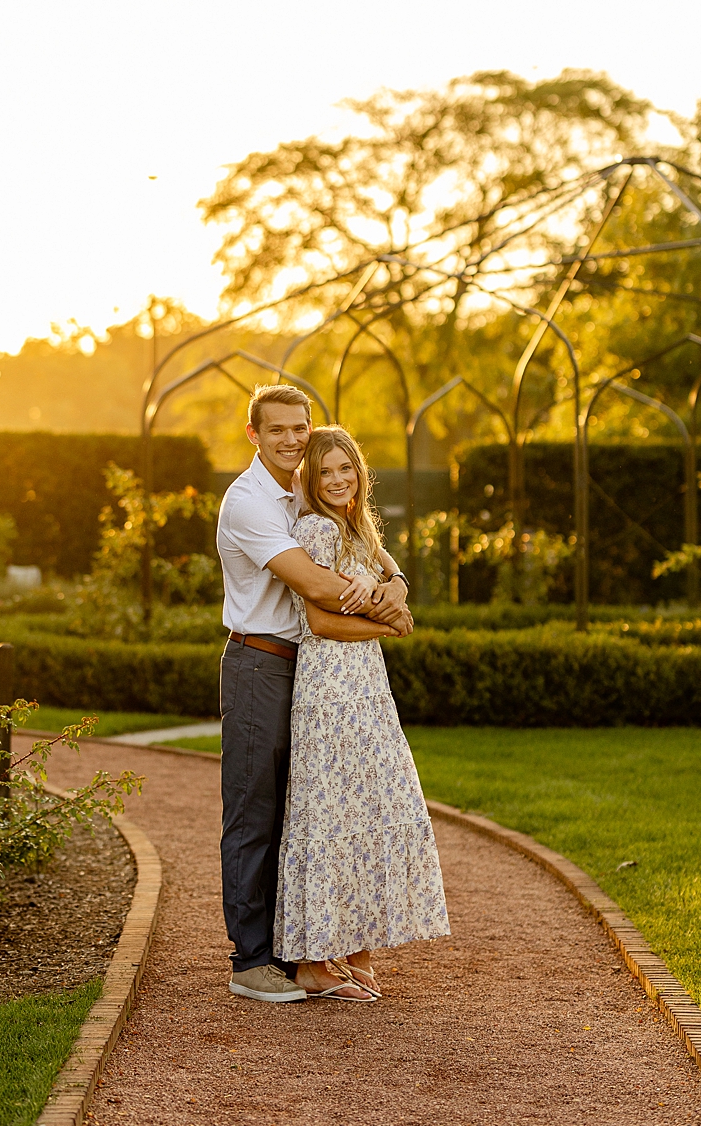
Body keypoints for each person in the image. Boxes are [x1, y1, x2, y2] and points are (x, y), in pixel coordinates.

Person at [216, 384, 411, 1004]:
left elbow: (360, 539)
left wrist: (397, 581)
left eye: (300, 427)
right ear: (254, 435)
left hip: (307, 668)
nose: (293, 439)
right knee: (253, 812)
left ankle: (293, 948)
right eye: (277, 430)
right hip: (258, 662)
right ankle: (251, 961)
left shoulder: (303, 489)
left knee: (295, 811)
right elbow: (315, 586)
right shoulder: (249, 501)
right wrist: (386, 613)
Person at [273, 425, 449, 1000]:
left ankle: (355, 944)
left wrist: (396, 589)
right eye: (325, 472)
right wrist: (387, 624)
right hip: (331, 687)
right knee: (331, 815)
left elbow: (391, 572)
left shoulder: (356, 529)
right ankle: (314, 960)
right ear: (311, 480)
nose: (338, 479)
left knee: (372, 806)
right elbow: (319, 622)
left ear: (359, 472)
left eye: (346, 468)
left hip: (366, 688)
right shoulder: (316, 531)